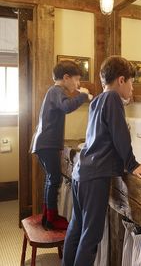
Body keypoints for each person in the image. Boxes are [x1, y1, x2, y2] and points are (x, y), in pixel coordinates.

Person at [62, 56, 141, 266]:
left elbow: (103, 137)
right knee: (91, 237)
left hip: (81, 172)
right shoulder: (112, 98)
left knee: (76, 227)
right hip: (95, 176)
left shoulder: (97, 100)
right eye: (131, 82)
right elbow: (119, 134)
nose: (132, 88)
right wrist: (132, 164)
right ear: (121, 80)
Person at [31, 60, 92, 230]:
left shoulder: (54, 92)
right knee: (55, 179)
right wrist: (83, 95)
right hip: (47, 144)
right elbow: (66, 107)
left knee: (51, 179)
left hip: (44, 144)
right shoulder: (56, 91)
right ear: (66, 78)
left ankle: (47, 215)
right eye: (77, 79)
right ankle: (51, 218)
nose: (78, 84)